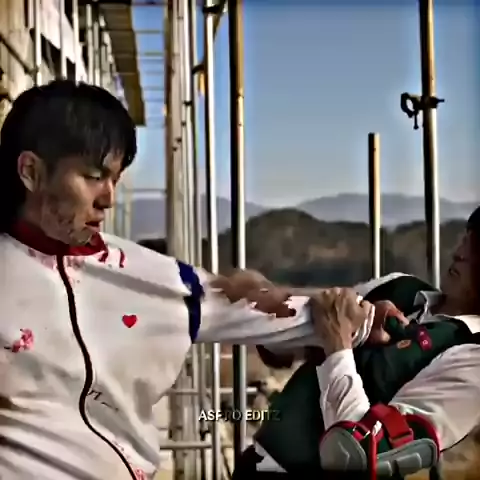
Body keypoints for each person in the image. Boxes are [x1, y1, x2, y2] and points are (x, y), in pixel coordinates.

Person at [0, 80, 379, 480]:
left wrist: (365, 314)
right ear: (31, 172)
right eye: (93, 176)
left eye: (115, 179)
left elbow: (273, 312)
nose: (108, 198)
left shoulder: (150, 276)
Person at [233, 211, 480, 479]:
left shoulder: (473, 361)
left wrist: (337, 345)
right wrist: (270, 305)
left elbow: (361, 456)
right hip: (254, 464)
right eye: (465, 239)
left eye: (477, 248)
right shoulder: (400, 286)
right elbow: (286, 349)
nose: (460, 253)